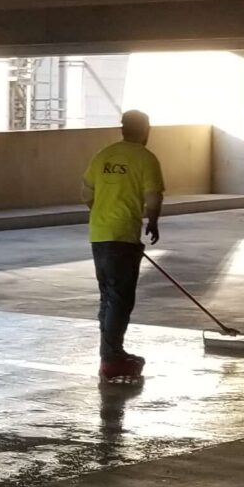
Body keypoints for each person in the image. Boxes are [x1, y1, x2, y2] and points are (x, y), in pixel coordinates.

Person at [84, 110, 166, 384]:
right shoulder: (146, 158)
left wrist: (103, 212)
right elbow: (153, 195)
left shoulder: (104, 155)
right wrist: (152, 221)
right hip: (122, 234)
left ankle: (110, 353)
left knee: (108, 296)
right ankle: (111, 359)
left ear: (122, 129)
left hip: (99, 234)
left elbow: (87, 193)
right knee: (120, 298)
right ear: (145, 129)